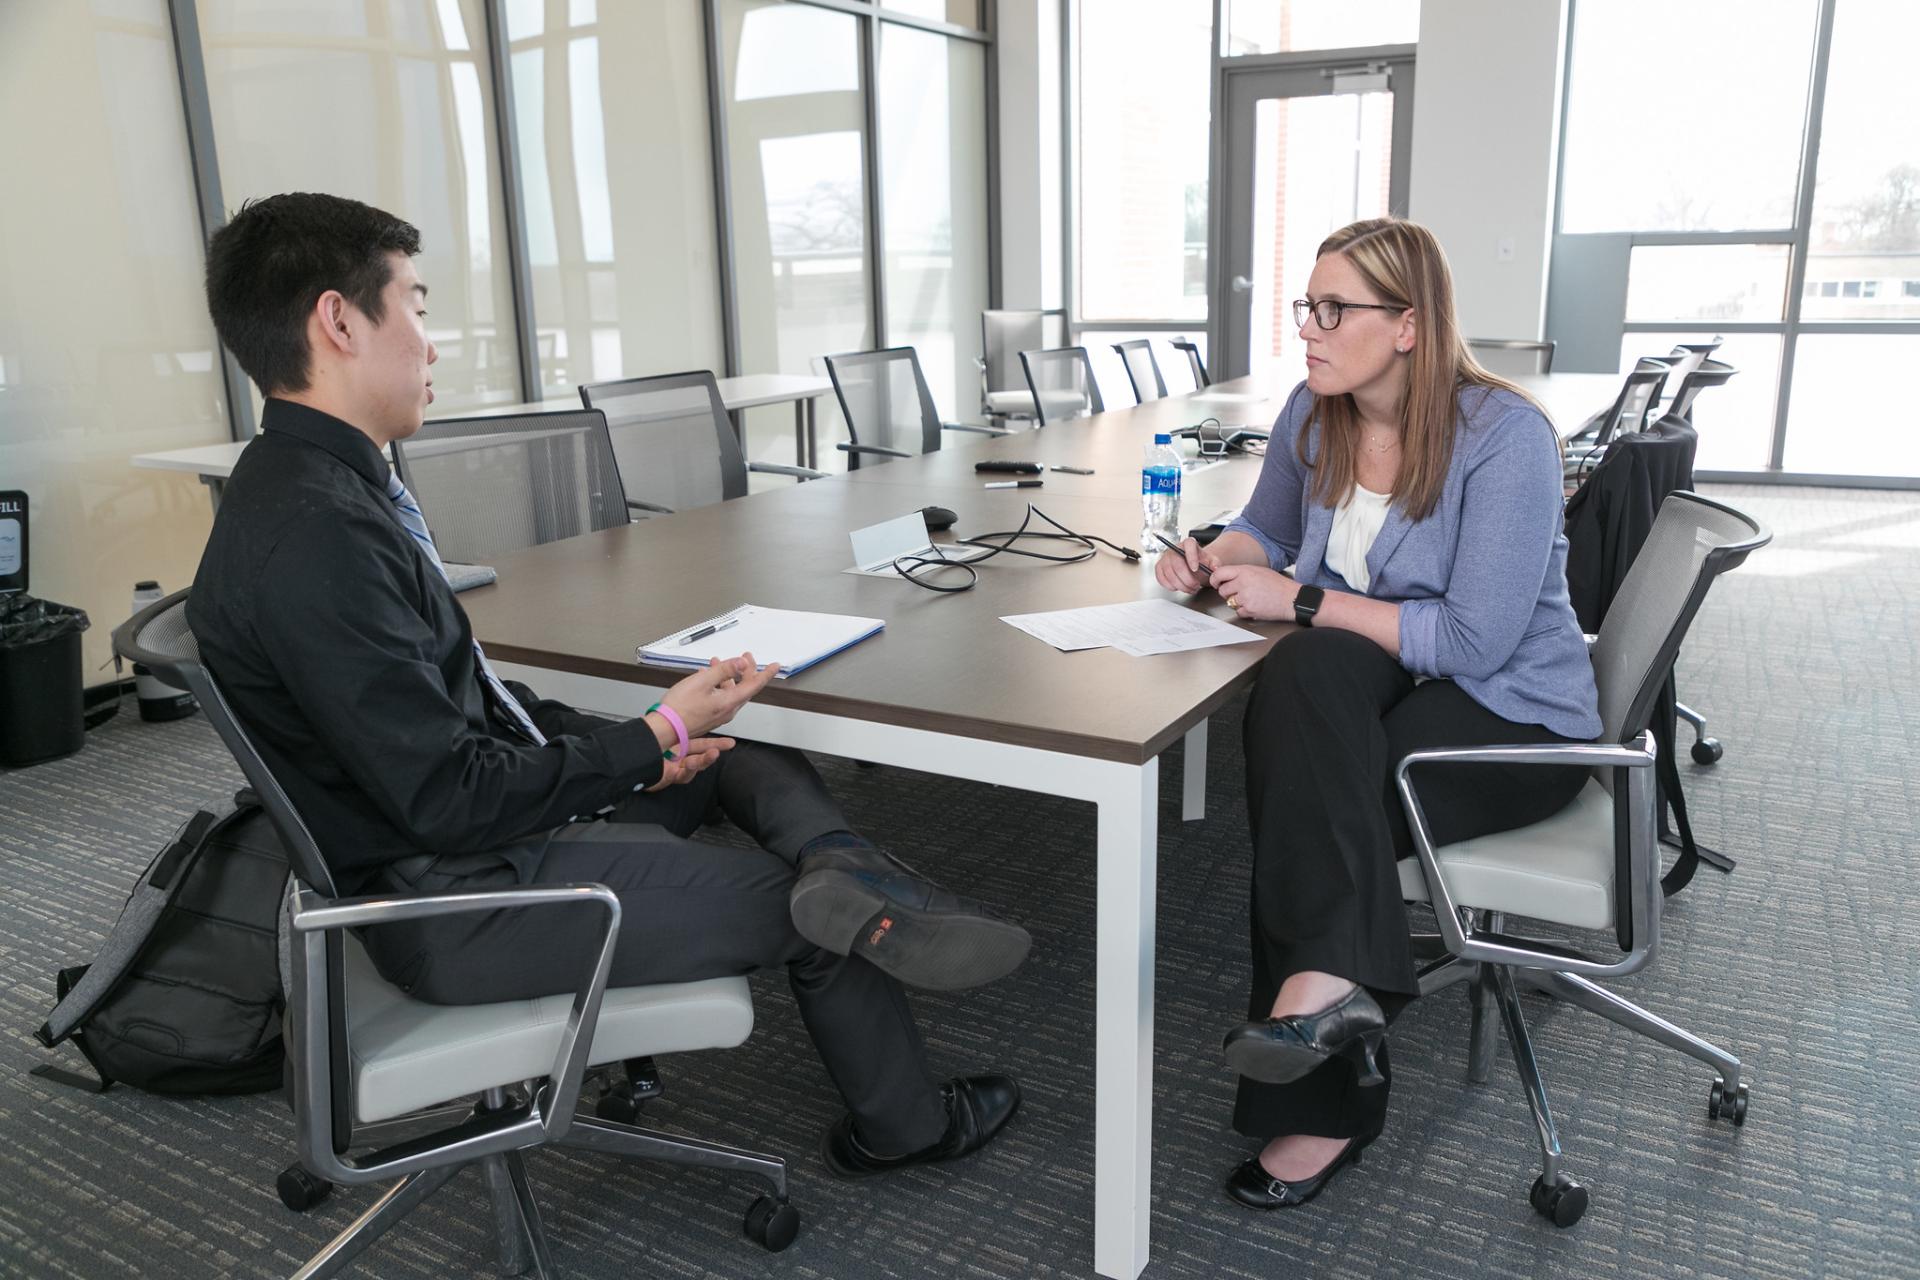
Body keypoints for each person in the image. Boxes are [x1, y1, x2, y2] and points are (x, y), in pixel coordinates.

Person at [188, 192, 1027, 1177]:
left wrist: (661, 739)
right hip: (463, 901)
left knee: (736, 748)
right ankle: (905, 1119)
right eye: (415, 304)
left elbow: (466, 705)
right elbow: (448, 797)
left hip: (477, 841)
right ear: (338, 321)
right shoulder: (316, 536)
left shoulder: (324, 488)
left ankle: (855, 864)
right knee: (803, 907)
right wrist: (649, 736)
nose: (431, 341)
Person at [1155, 217, 1601, 1209]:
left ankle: (1319, 1060)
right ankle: (1335, 1013)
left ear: (1408, 324)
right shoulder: (1317, 415)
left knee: (1317, 790)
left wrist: (1304, 599)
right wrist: (1215, 554)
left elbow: (1477, 642)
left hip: (1514, 716)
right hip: (1395, 679)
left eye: (1332, 309)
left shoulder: (1505, 435)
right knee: (1302, 681)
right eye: (1305, 307)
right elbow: (1266, 527)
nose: (1308, 329)